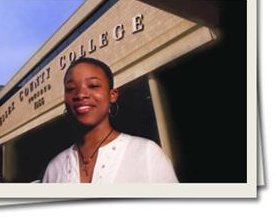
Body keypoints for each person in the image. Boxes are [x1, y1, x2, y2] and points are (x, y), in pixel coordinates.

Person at [42, 57, 178, 183]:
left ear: (112, 95)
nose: (80, 94)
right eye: (71, 88)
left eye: (93, 85)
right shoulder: (54, 168)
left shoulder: (146, 153)